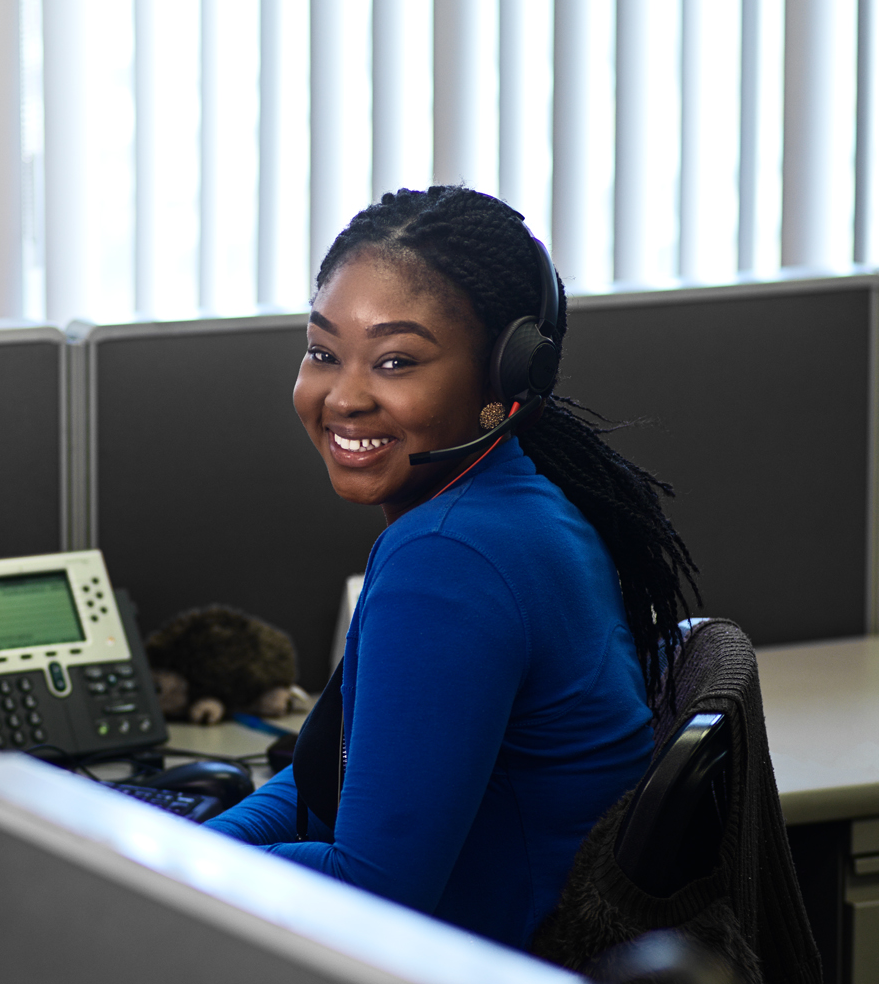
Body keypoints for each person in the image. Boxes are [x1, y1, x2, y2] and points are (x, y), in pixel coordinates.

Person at [206, 186, 699, 950]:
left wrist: (178, 869)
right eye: (322, 352)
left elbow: (372, 893)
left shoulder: (448, 559)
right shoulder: (527, 501)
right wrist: (199, 841)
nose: (343, 396)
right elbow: (330, 784)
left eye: (396, 360)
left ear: (502, 378)